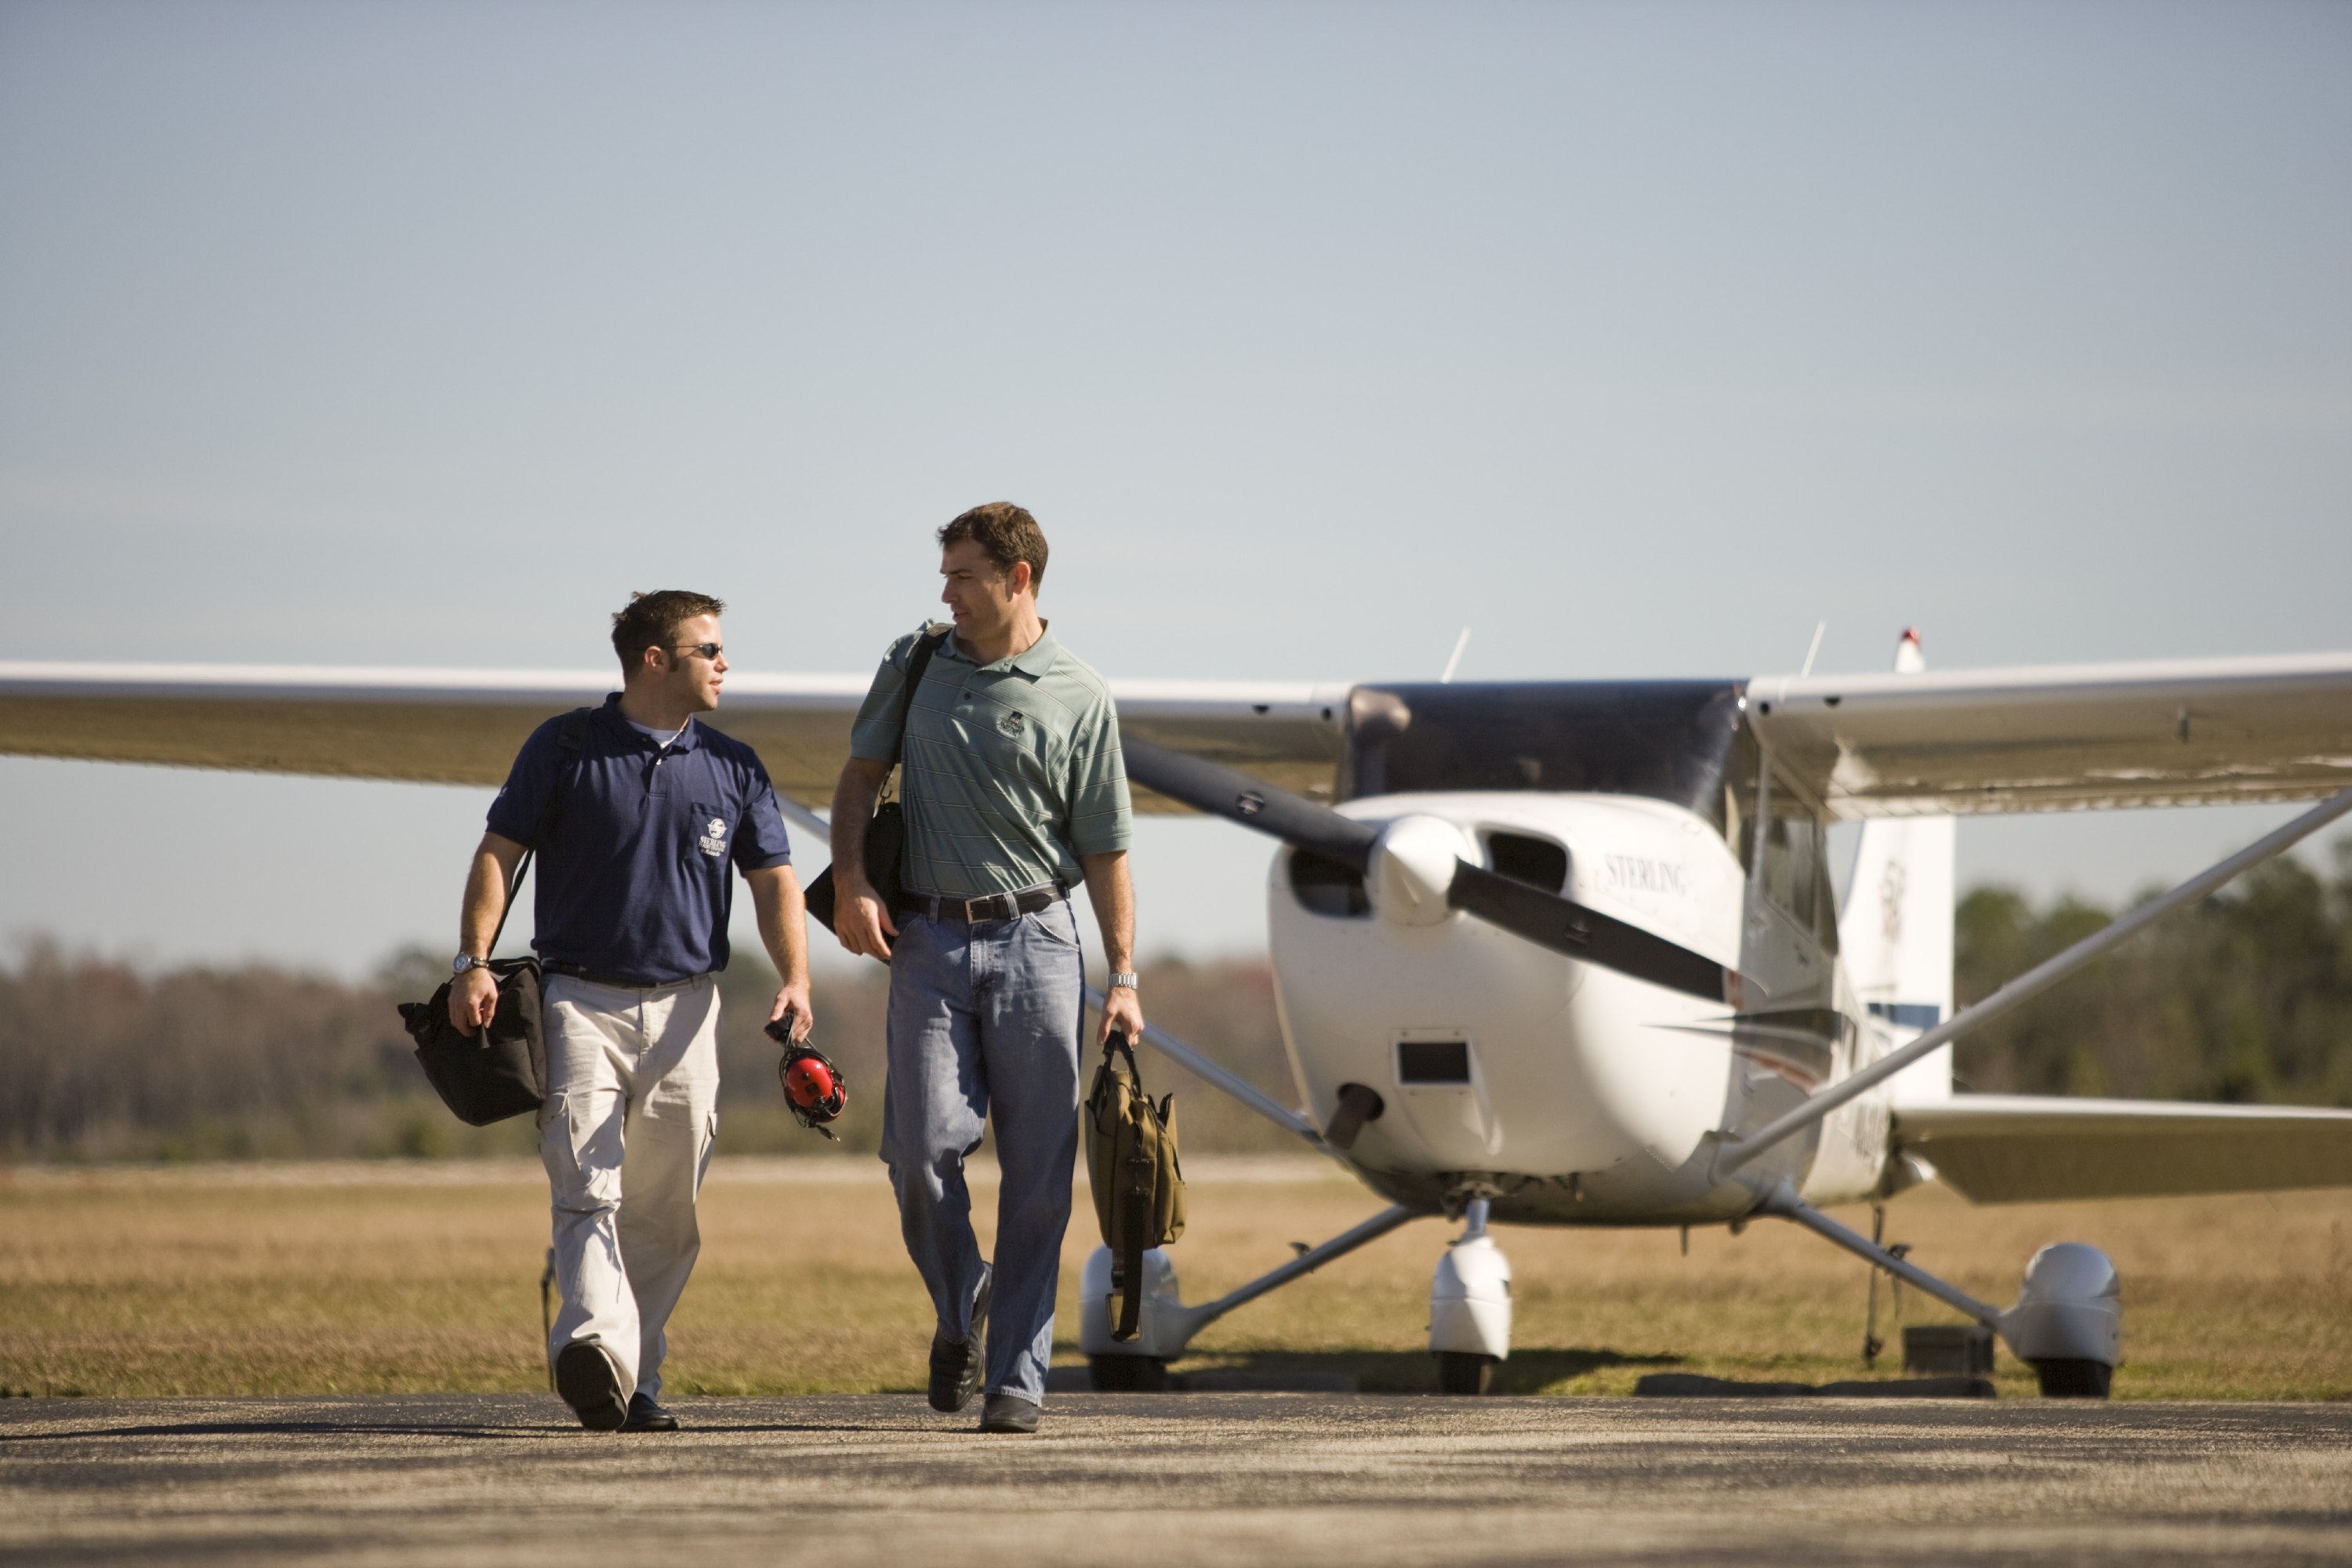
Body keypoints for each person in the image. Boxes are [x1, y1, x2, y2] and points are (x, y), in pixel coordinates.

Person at [448, 590, 813, 1433]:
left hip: (690, 1011)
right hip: (578, 1002)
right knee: (588, 1188)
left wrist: (796, 976)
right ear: (656, 658)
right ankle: (592, 1349)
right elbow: (499, 853)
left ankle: (634, 1375)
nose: (725, 663)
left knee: (667, 1211)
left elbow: (775, 882)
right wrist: (472, 961)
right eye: (708, 649)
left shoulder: (736, 765)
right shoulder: (564, 745)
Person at [830, 503, 1143, 1436]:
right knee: (918, 1152)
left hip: (1041, 941)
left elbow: (1108, 849)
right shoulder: (915, 660)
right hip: (924, 940)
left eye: (964, 574)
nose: (947, 591)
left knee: (1042, 1177)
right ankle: (965, 1295)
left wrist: (1122, 974)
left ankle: (1017, 1377)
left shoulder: (1082, 692)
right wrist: (851, 884)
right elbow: (856, 779)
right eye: (946, 573)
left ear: (1019, 577)